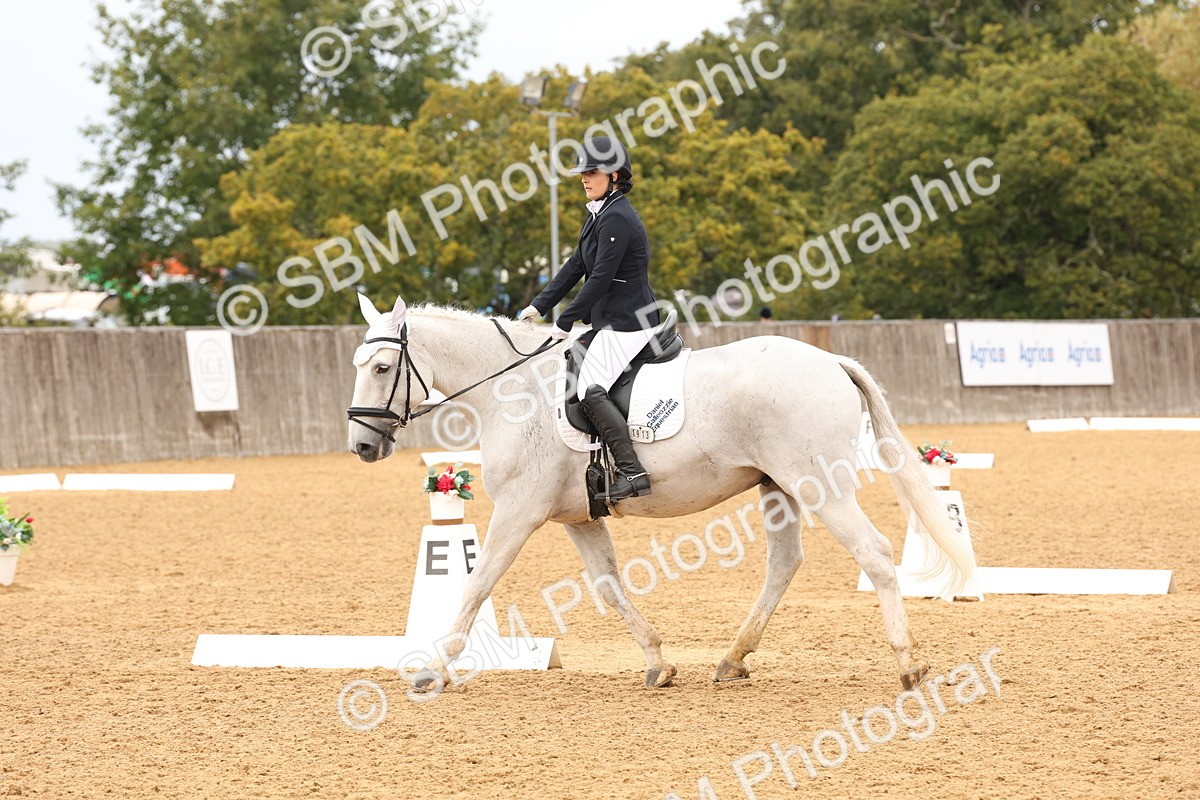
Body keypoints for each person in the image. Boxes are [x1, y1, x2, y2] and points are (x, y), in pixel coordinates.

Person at [516, 136, 658, 500]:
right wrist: (538, 306)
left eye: (591, 172)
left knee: (588, 388)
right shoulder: (598, 214)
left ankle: (632, 471)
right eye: (583, 172)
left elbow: (600, 279)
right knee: (570, 364)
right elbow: (575, 266)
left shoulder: (619, 218)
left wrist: (565, 320)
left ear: (613, 174)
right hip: (608, 321)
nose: (584, 178)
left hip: (630, 322)